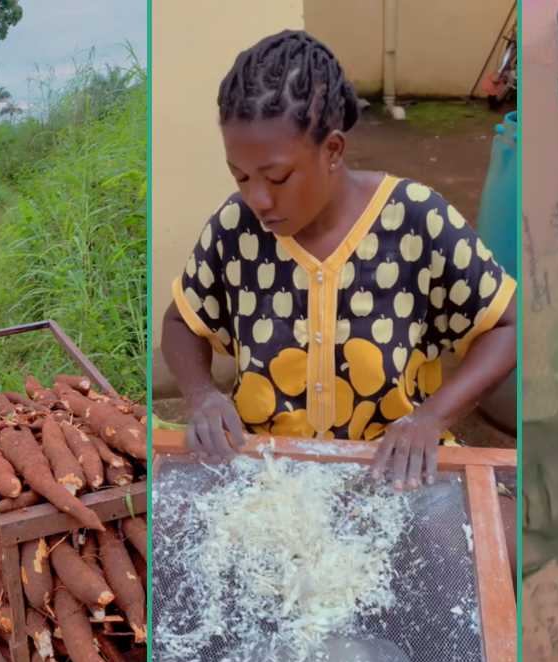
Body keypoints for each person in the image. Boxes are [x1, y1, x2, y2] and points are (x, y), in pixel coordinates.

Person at [161, 30, 517, 490]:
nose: (258, 199)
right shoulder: (236, 228)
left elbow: (507, 326)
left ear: (332, 150)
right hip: (267, 478)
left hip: (392, 474)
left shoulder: (415, 219)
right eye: (241, 176)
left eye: (277, 176)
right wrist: (202, 395)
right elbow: (180, 322)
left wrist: (430, 418)